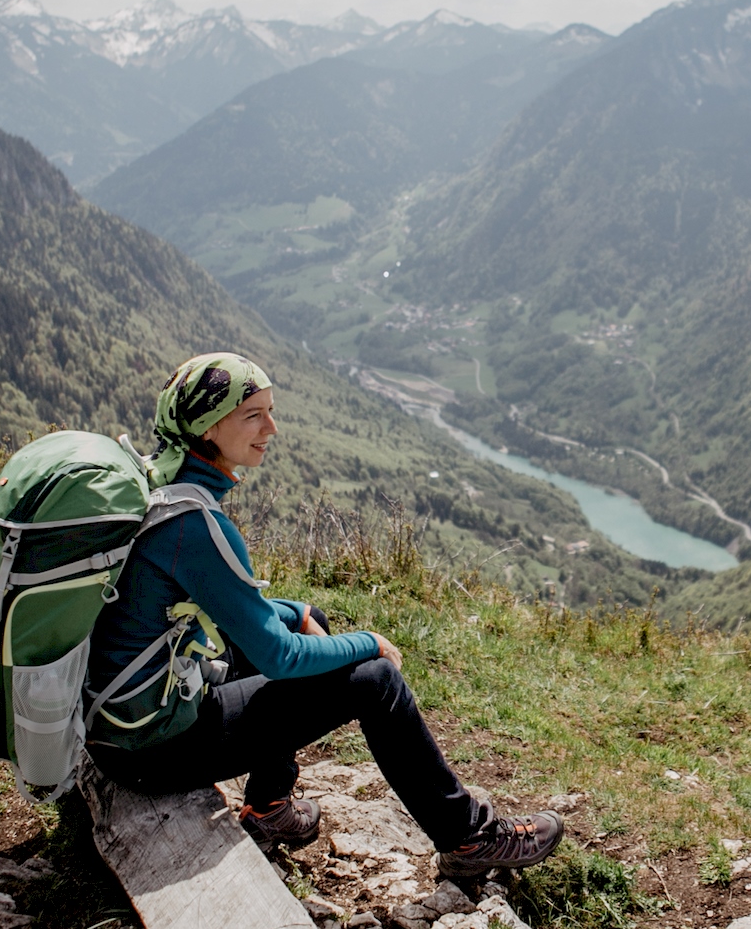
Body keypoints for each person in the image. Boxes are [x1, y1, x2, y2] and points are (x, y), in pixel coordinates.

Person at [84, 352, 562, 876]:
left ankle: (268, 807)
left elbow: (234, 609)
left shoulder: (159, 487)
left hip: (125, 725)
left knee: (305, 623)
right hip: (152, 750)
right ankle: (469, 838)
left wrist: (301, 611)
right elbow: (279, 656)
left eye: (271, 410)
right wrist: (371, 643)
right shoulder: (193, 527)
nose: (272, 427)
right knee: (376, 680)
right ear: (209, 428)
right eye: (254, 415)